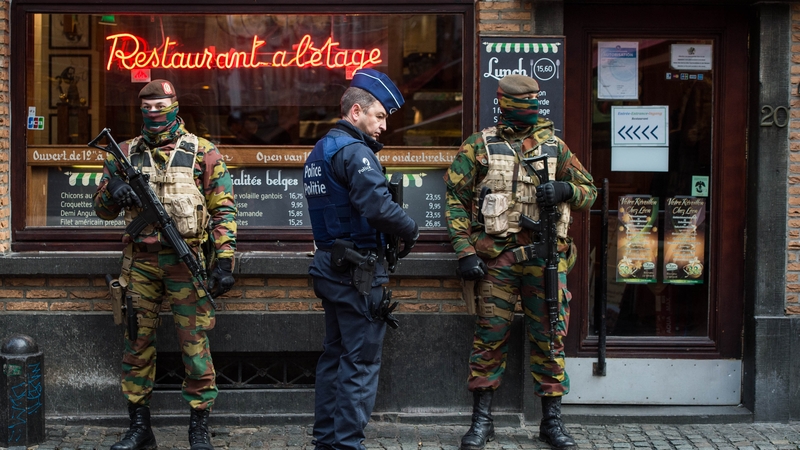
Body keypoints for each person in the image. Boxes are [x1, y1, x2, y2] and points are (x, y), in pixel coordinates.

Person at [444, 74, 596, 450]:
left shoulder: (555, 148)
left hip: (545, 260)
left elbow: (589, 192)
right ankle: (482, 421)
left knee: (550, 337)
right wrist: (464, 251)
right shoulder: (479, 146)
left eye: (534, 101)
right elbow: (455, 198)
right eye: (522, 102)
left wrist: (564, 189)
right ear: (505, 104)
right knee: (489, 338)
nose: (531, 108)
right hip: (497, 259)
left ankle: (552, 421)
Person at [93, 79, 237, 450]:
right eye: (148, 108)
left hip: (186, 264)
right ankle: (140, 427)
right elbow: (102, 209)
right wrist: (113, 192)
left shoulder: (204, 152)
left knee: (195, 346)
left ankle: (198, 428)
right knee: (136, 344)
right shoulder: (122, 153)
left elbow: (223, 210)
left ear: (176, 106)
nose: (155, 114)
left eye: (162, 106)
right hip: (139, 265)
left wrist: (223, 260)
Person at [303, 68, 419, 450]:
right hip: (359, 274)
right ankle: (347, 444)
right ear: (356, 112)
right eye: (380, 115)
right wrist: (410, 229)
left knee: (334, 359)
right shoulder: (356, 152)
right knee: (360, 364)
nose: (384, 125)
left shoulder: (320, 150)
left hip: (331, 268)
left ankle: (327, 442)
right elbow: (377, 207)